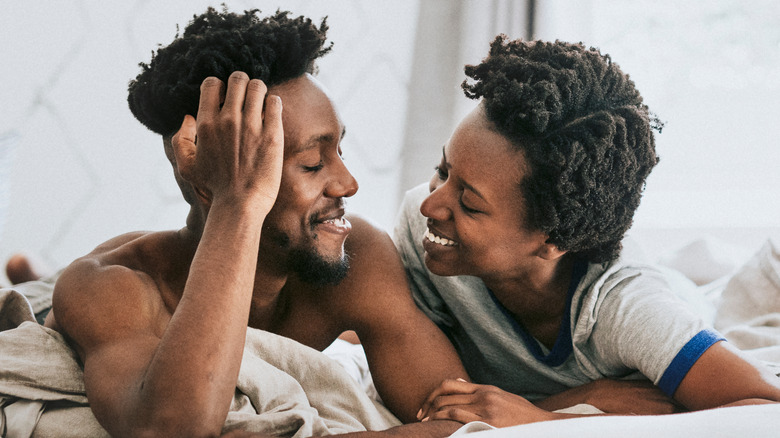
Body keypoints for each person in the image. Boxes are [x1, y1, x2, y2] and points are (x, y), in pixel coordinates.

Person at [43, 7, 469, 437]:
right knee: (49, 294)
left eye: (340, 151)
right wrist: (236, 204)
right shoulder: (112, 287)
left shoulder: (358, 257)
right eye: (312, 164)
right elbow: (171, 429)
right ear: (206, 179)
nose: (348, 183)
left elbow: (465, 422)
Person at [394, 36, 780, 427]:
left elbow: (769, 405)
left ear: (552, 239)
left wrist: (545, 419)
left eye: (470, 205)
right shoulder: (420, 228)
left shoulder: (631, 313)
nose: (431, 205)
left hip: (681, 301)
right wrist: (582, 399)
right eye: (443, 171)